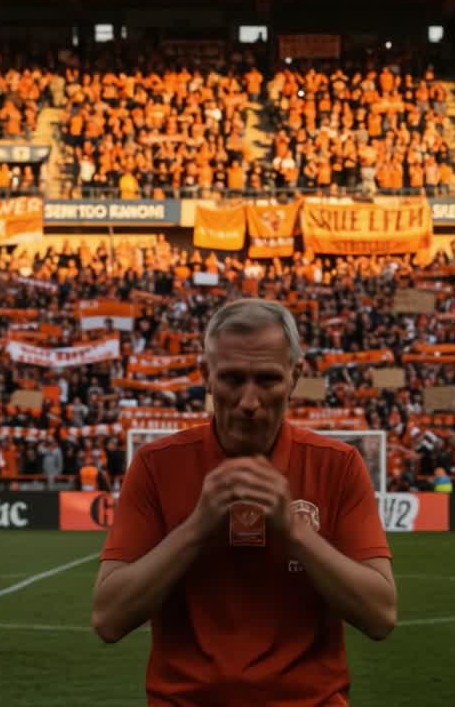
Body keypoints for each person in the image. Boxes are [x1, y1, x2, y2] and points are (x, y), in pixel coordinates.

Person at [91, 298, 396, 704]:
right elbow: (108, 619)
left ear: (294, 376)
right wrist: (200, 525)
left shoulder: (337, 465)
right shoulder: (155, 465)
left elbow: (380, 616)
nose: (249, 402)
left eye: (267, 379)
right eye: (233, 379)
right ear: (206, 376)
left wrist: (293, 531)